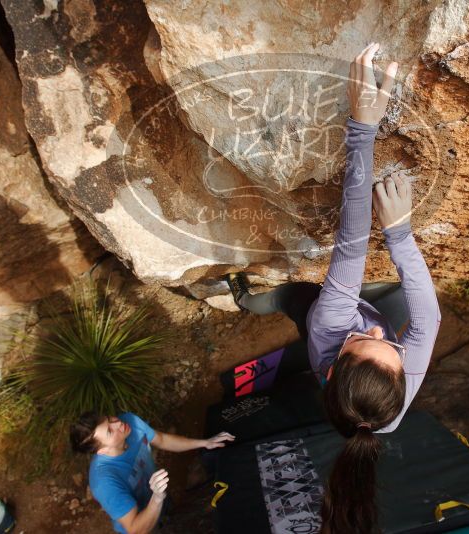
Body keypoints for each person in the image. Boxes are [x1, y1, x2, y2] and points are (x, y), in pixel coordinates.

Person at [226, 42, 441, 534]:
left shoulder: (329, 327)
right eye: (396, 353)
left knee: (289, 297)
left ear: (339, 360)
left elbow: (350, 245)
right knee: (393, 301)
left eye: (376, 344)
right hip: (354, 362)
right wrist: (401, 238)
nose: (392, 340)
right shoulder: (389, 399)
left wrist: (362, 126)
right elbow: (428, 320)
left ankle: (244, 299)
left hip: (321, 319)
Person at [69, 411, 234, 534]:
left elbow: (161, 440)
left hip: (160, 497)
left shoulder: (130, 422)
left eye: (109, 418)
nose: (117, 423)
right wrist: (156, 497)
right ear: (102, 451)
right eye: (110, 431)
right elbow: (135, 528)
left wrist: (205, 443)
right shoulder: (104, 482)